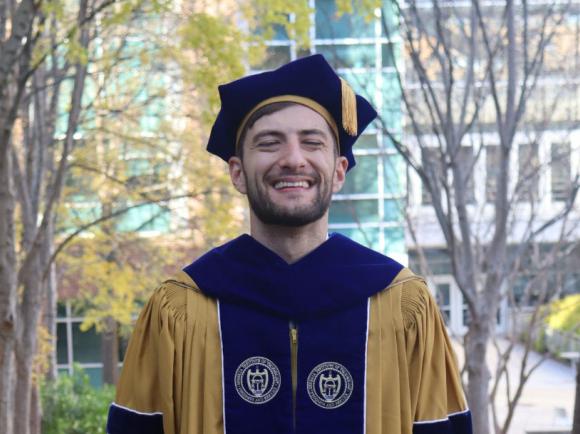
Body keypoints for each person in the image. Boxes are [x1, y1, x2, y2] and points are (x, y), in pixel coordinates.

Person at [106, 54, 472, 434]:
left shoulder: (402, 305)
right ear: (238, 172)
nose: (293, 159)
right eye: (269, 143)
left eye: (312, 142)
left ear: (339, 170)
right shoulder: (179, 309)